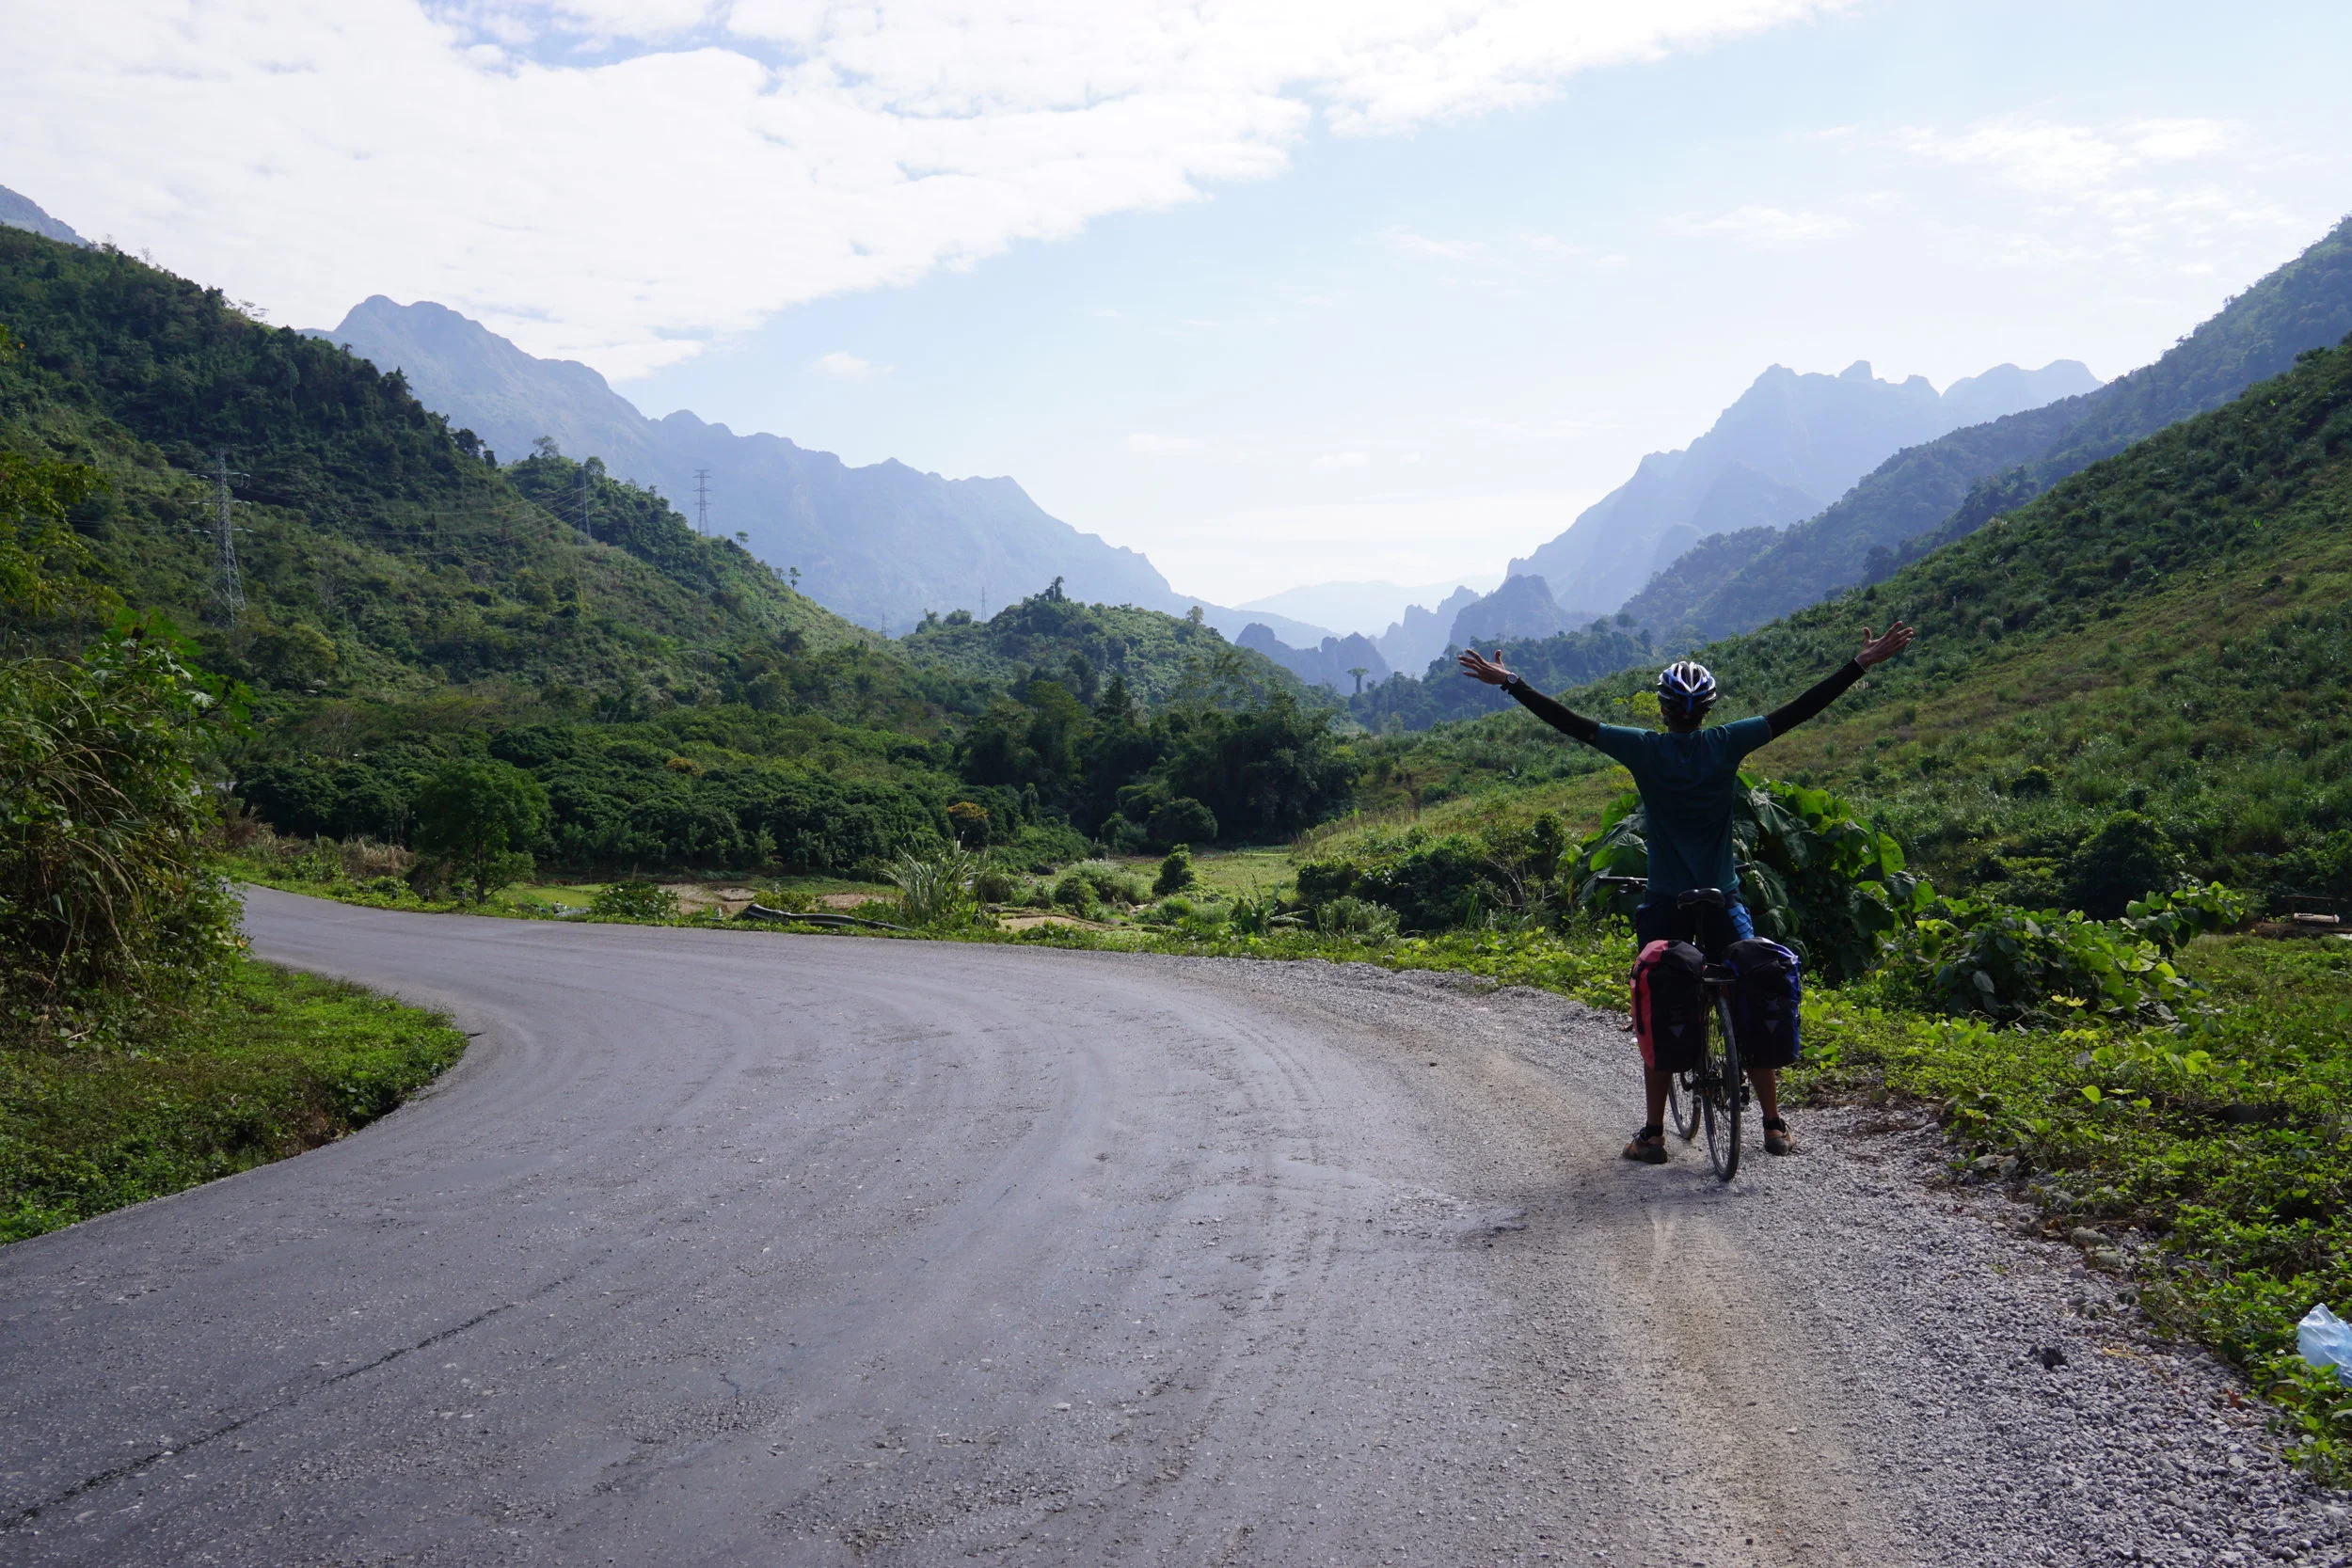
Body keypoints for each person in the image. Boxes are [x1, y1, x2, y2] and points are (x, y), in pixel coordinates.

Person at [1457, 622, 1915, 1164]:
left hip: (1665, 903)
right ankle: (1772, 1124)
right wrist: (1858, 664)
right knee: (1745, 990)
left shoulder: (1642, 750)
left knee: (1659, 1003)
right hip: (1724, 897)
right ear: (1708, 710)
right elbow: (1798, 710)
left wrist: (1513, 682)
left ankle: (1654, 1135)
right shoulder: (1728, 743)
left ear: (1663, 709)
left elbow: (1571, 723)